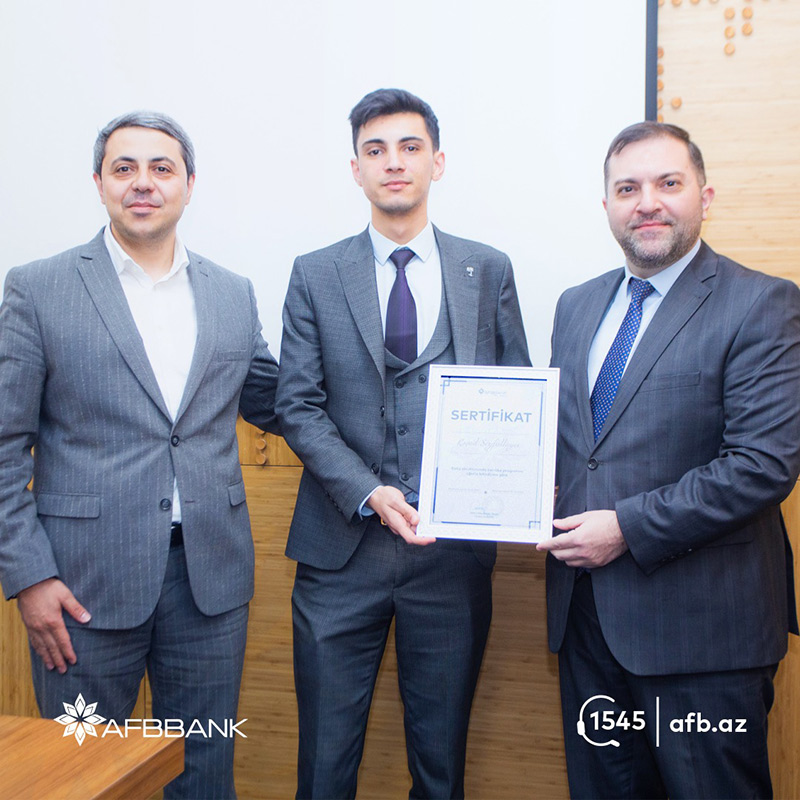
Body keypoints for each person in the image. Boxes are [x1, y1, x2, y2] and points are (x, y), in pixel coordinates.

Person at [0, 111, 279, 799]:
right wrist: (29, 577)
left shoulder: (232, 293)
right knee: (78, 777)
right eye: (124, 168)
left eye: (161, 168)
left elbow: (280, 403)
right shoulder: (38, 289)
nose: (143, 183)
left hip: (209, 585)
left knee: (205, 773)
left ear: (189, 184)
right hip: (80, 589)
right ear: (99, 183)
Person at [276, 88, 530, 799]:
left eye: (410, 147)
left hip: (451, 559)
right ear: (356, 169)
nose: (394, 163)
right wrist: (367, 491)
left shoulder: (488, 269)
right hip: (338, 553)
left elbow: (515, 393)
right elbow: (297, 405)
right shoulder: (315, 273)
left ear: (437, 162)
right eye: (376, 150)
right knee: (324, 768)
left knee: (441, 768)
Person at [538, 121, 800, 799]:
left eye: (668, 183)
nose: (647, 202)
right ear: (607, 205)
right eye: (627, 188)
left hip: (703, 638)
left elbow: (762, 464)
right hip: (588, 626)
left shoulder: (762, 303)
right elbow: (577, 446)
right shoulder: (576, 306)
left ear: (704, 197)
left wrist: (625, 527)